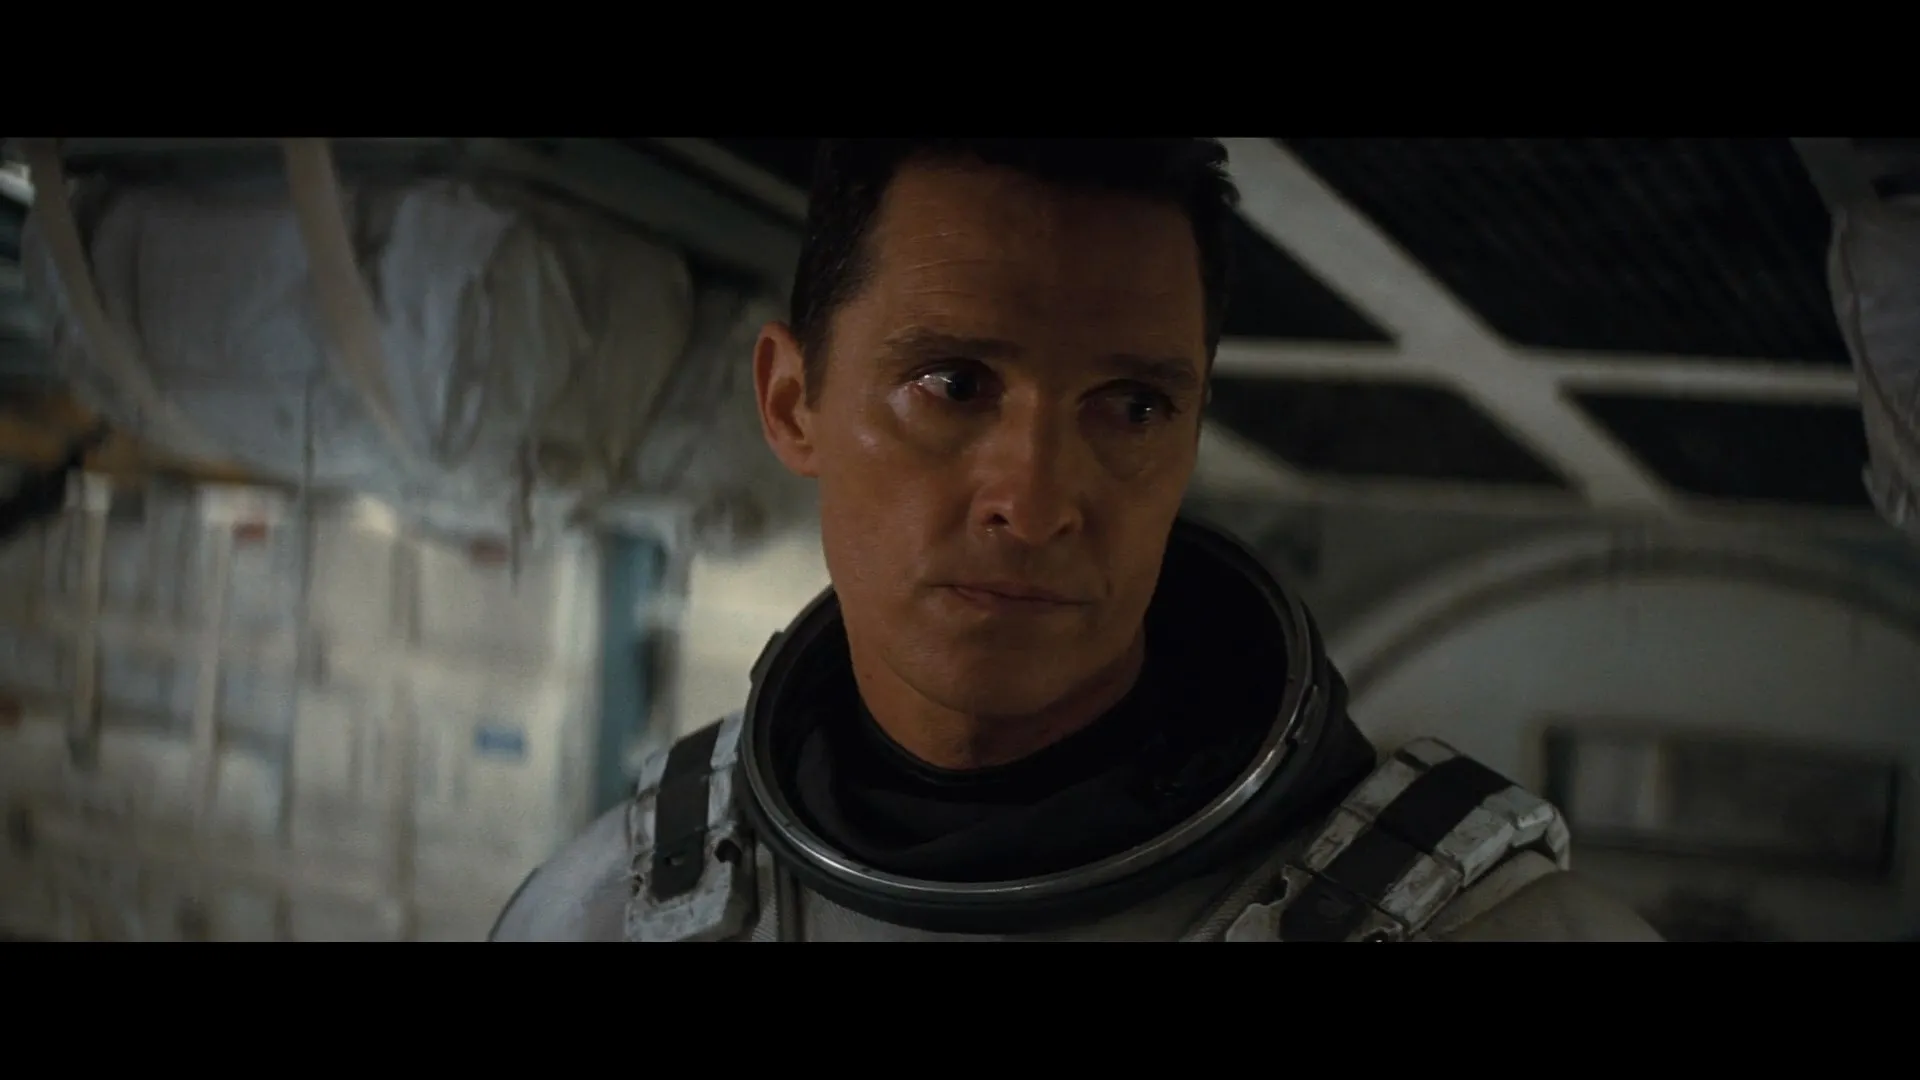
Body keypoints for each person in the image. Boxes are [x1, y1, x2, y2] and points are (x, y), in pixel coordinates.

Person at [489, 138, 1662, 942]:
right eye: (953, 384)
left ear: (1191, 434)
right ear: (793, 404)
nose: (1037, 500)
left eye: (1133, 406)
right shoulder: (598, 916)